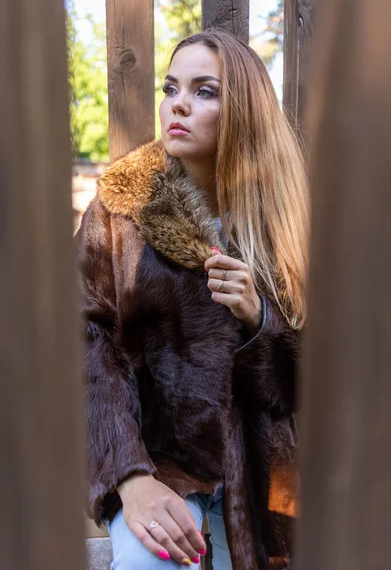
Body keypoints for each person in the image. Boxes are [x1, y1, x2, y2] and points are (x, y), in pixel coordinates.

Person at [76, 29, 309, 570]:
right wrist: (130, 480)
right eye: (171, 87)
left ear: (244, 111)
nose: (178, 103)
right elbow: (83, 350)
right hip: (159, 464)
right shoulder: (119, 212)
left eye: (205, 91)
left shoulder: (283, 226)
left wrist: (259, 319)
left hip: (262, 475)